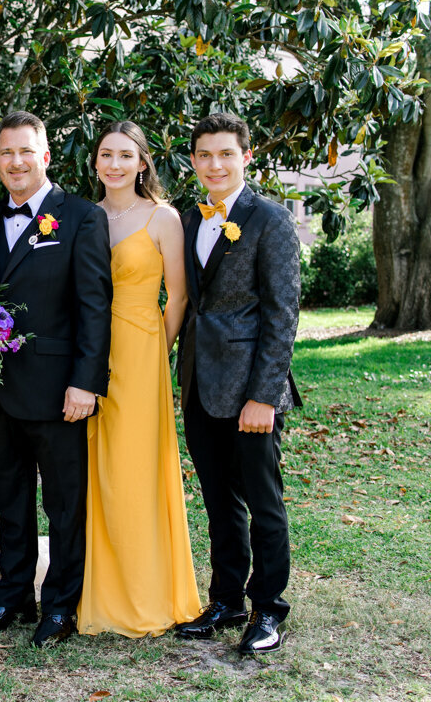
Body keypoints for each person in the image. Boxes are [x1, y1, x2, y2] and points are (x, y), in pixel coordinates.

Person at [0, 111, 112, 648]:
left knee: (63, 502)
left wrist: (86, 382)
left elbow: (95, 306)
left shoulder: (78, 217)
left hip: (59, 390)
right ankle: (12, 599)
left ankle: (60, 606)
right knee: (10, 498)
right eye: (6, 153)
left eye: (25, 151)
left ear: (45, 156)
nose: (15, 161)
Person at [172, 112, 302, 655]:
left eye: (225, 154)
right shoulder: (186, 219)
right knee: (218, 501)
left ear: (246, 157)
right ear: (195, 161)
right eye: (205, 155)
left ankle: (268, 608)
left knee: (262, 500)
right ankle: (225, 599)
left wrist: (263, 396)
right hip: (199, 381)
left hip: (250, 389)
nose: (215, 164)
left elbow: (282, 313)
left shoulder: (270, 220)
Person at [76, 121, 203, 637]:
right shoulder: (84, 217)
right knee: (96, 469)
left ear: (143, 163)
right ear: (96, 162)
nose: (114, 164)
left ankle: (147, 590)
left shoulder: (162, 218)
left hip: (140, 350)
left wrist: (154, 349)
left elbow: (178, 297)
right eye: (106, 155)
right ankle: (101, 588)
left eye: (125, 156)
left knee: (135, 469)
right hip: (88, 353)